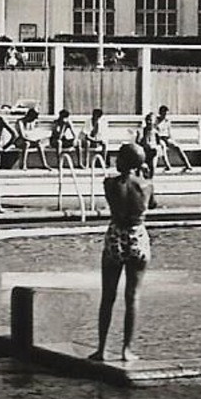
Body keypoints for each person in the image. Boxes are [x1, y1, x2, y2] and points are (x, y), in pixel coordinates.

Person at [89, 142, 152, 363]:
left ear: (124, 161)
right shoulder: (146, 185)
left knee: (108, 296)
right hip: (137, 237)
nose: (115, 160)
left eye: (118, 157)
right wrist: (141, 174)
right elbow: (151, 204)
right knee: (132, 296)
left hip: (116, 235)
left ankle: (101, 349)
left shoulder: (109, 184)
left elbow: (112, 196)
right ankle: (126, 349)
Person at [154, 106, 194, 173]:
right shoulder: (156, 121)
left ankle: (188, 165)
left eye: (166, 114)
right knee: (163, 147)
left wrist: (172, 140)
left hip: (166, 138)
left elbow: (169, 132)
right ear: (160, 113)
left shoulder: (167, 121)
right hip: (159, 138)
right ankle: (168, 166)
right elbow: (155, 131)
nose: (165, 115)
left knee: (177, 147)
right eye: (163, 113)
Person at [136, 112, 160, 178]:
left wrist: (156, 147)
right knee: (141, 166)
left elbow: (158, 142)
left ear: (154, 122)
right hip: (144, 151)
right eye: (147, 120)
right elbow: (138, 141)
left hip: (152, 151)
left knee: (152, 167)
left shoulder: (155, 131)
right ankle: (140, 177)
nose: (149, 122)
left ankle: (150, 178)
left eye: (151, 120)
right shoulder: (143, 130)